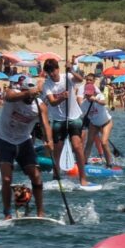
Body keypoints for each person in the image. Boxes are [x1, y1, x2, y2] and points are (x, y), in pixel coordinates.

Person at [0, 75, 52, 219]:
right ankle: (7, 213)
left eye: (32, 96)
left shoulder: (39, 105)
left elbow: (45, 124)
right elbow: (9, 96)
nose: (29, 99)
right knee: (6, 179)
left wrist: (49, 141)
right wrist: (28, 92)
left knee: (36, 176)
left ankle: (40, 212)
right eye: (27, 94)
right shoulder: (13, 94)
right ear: (22, 90)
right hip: (5, 141)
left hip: (24, 142)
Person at [41, 57, 94, 188]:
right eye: (49, 71)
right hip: (58, 120)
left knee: (77, 146)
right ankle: (56, 176)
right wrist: (61, 97)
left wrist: (71, 70)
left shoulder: (67, 77)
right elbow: (52, 102)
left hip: (74, 117)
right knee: (57, 150)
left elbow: (80, 80)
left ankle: (83, 178)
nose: (52, 73)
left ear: (58, 69)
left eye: (53, 70)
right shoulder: (47, 84)